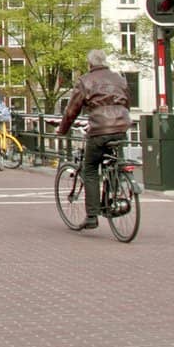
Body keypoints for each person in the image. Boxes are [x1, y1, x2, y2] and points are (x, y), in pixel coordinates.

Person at [56, 48, 133, 230]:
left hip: (99, 129)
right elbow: (127, 101)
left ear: (89, 64)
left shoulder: (85, 81)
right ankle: (113, 196)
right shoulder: (119, 78)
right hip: (122, 127)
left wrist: (63, 129)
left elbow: (72, 109)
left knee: (90, 169)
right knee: (115, 161)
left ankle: (92, 216)